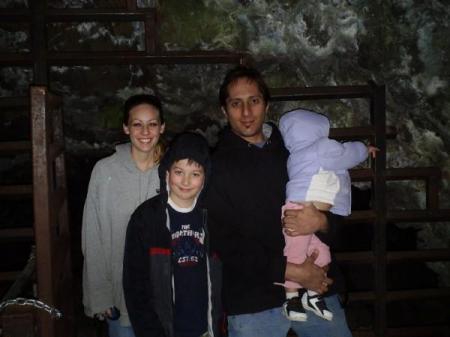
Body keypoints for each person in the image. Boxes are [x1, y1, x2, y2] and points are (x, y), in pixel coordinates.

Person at [206, 65, 353, 337]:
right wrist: (293, 271)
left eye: (254, 101)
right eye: (236, 104)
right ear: (224, 111)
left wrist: (322, 221)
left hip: (317, 288)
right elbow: (222, 243)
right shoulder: (215, 168)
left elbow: (339, 206)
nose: (247, 113)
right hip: (253, 300)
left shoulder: (299, 151)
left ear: (267, 105)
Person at [279, 109, 378, 322]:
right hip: (298, 209)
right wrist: (363, 148)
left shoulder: (295, 155)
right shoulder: (321, 148)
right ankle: (292, 298)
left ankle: (312, 295)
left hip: (307, 211)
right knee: (299, 254)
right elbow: (345, 153)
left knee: (318, 253)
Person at [123, 132, 222, 337]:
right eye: (179, 171)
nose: (186, 181)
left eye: (195, 174)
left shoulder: (214, 218)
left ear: (205, 178)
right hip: (164, 330)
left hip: (207, 329)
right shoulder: (146, 218)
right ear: (166, 173)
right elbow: (135, 287)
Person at [82, 94, 165, 337]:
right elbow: (92, 236)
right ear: (126, 127)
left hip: (162, 299)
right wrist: (100, 296)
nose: (145, 131)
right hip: (121, 297)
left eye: (152, 123)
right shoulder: (104, 171)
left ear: (162, 127)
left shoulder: (174, 171)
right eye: (137, 124)